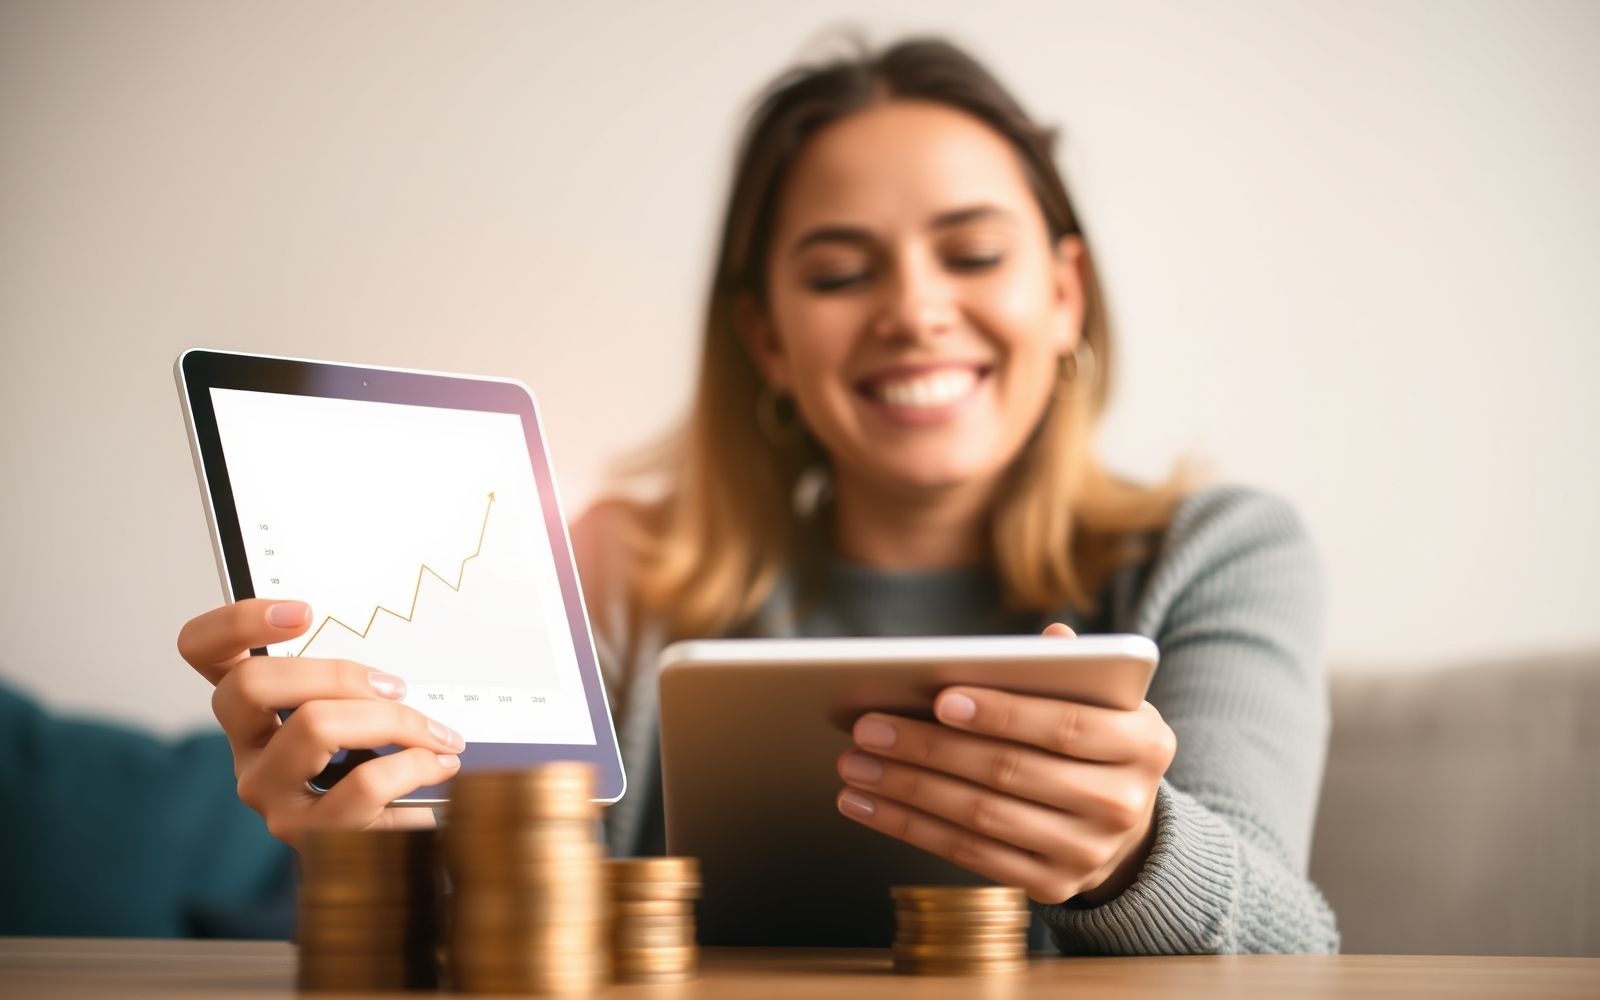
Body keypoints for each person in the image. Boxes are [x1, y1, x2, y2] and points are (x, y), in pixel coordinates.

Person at [177, 36, 1339, 954]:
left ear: (1064, 293)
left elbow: (1289, 943)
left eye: (974, 254)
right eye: (839, 272)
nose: (914, 310)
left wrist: (1133, 854)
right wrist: (377, 851)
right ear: (767, 338)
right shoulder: (610, 573)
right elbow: (506, 929)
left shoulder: (1219, 552)